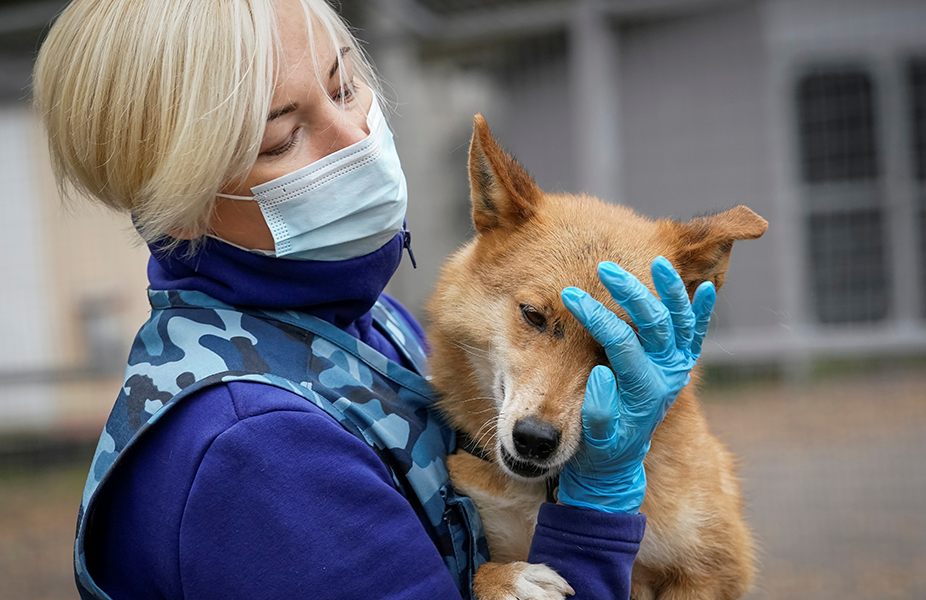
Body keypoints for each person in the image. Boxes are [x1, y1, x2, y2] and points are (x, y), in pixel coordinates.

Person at [33, 1, 717, 599]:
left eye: (344, 85)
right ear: (175, 203)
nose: (354, 137)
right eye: (282, 135)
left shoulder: (351, 319)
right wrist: (596, 516)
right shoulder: (255, 451)